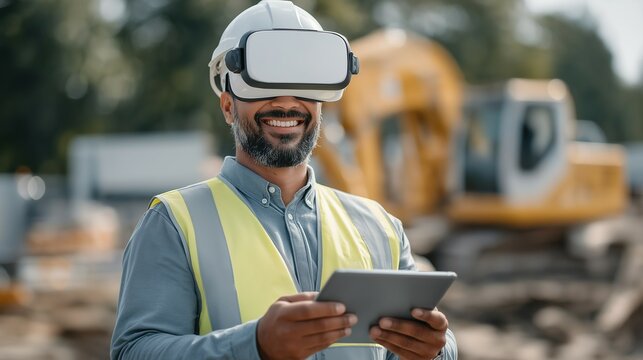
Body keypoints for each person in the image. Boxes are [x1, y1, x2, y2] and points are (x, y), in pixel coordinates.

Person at [110, 1, 457, 359]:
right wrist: (255, 346)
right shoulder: (174, 223)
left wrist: (438, 349)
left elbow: (432, 342)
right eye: (265, 85)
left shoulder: (381, 227)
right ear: (228, 106)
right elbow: (134, 351)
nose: (287, 103)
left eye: (303, 85)